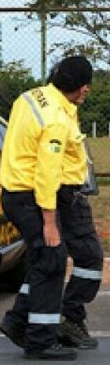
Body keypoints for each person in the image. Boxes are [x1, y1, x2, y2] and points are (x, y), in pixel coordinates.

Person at [0, 57, 93, 361]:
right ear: (81, 88)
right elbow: (47, 173)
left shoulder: (32, 96)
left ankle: (18, 323)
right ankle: (40, 339)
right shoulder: (55, 119)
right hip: (32, 195)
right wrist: (49, 222)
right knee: (52, 258)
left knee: (46, 260)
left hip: (22, 192)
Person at [50, 59, 103, 349]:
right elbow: (50, 159)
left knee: (50, 260)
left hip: (62, 191)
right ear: (82, 87)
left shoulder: (53, 104)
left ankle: (49, 318)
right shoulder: (58, 112)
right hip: (63, 193)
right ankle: (67, 317)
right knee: (89, 258)